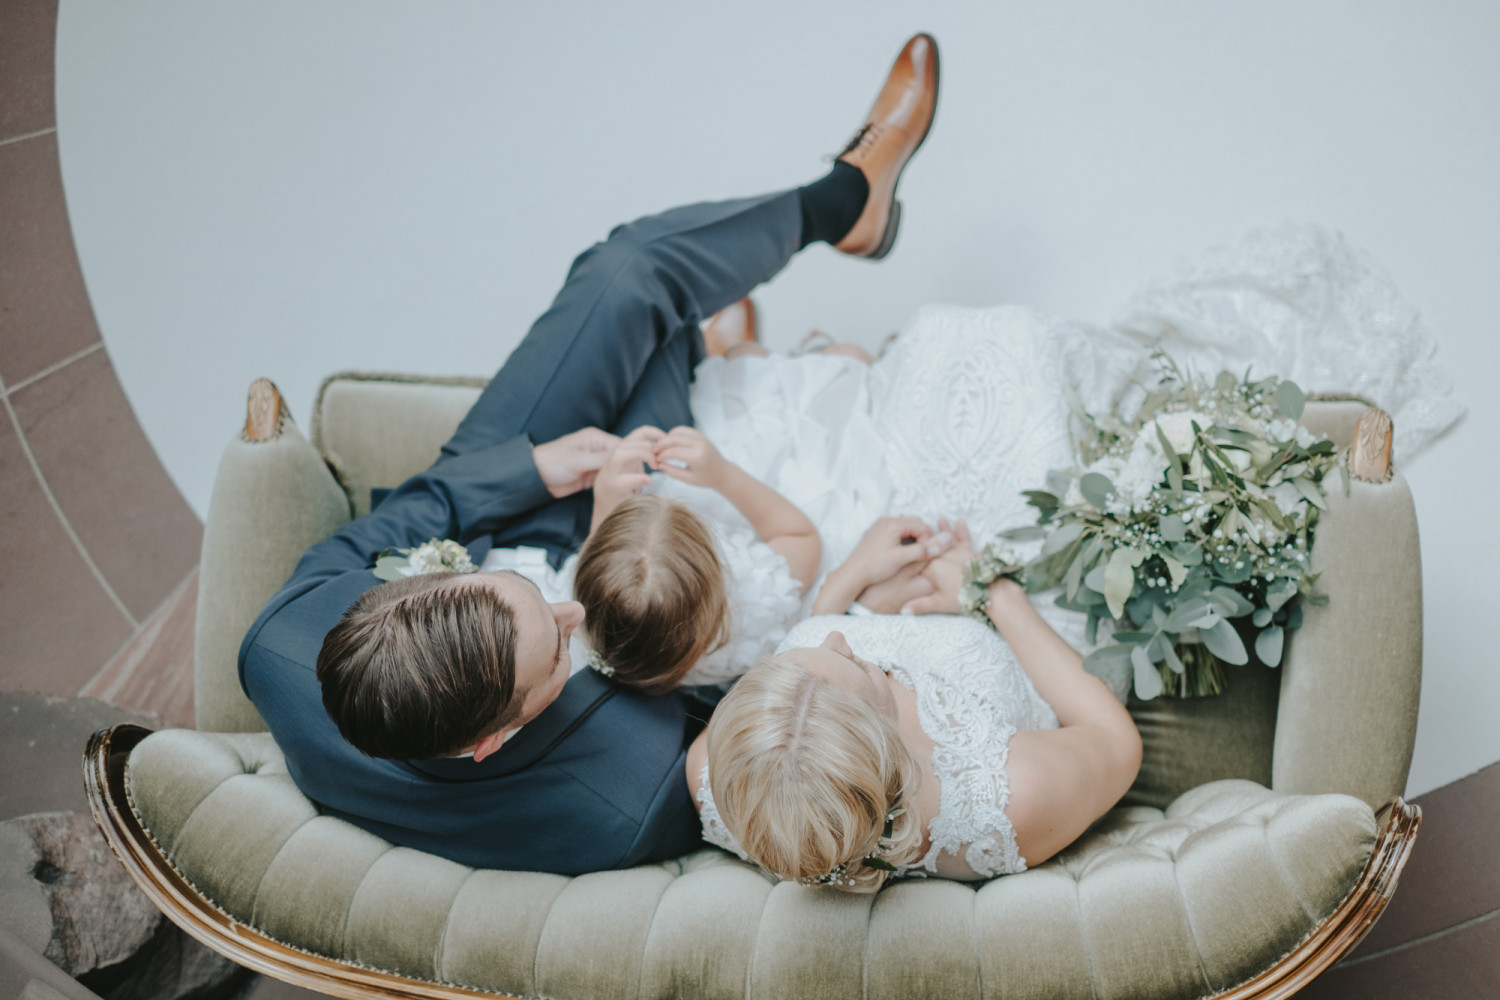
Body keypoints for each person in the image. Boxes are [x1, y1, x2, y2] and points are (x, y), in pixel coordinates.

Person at [236, 33, 941, 875]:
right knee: (661, 337)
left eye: (527, 603)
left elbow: (404, 520)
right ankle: (721, 353)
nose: (564, 606)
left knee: (627, 272)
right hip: (652, 601)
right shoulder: (630, 793)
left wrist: (530, 471)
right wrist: (843, 591)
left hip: (511, 507)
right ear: (494, 739)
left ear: (416, 593)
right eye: (554, 644)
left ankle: (845, 203)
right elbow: (752, 700)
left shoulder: (284, 638)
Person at [689, 520, 1143, 891]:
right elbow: (1113, 738)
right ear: (889, 737)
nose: (837, 637)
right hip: (1033, 629)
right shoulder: (1012, 799)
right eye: (865, 669)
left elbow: (807, 716)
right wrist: (994, 592)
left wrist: (847, 592)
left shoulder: (718, 771)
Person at [570, 421, 820, 693]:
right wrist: (724, 476)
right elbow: (801, 536)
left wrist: (605, 499)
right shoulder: (753, 603)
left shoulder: (591, 622)